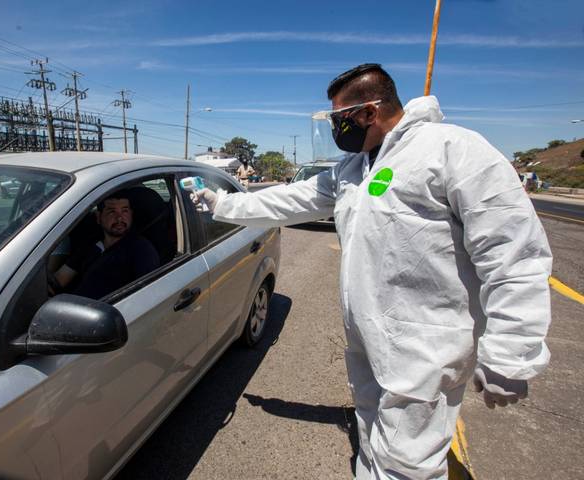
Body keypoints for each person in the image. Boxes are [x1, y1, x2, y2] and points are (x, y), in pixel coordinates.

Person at [193, 64, 552, 479]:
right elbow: (292, 199)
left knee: (409, 462)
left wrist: (511, 352)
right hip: (368, 337)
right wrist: (225, 206)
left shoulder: (452, 150)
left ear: (369, 112)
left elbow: (513, 255)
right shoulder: (355, 168)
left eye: (338, 118)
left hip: (425, 346)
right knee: (371, 427)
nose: (334, 128)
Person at [51, 191, 160, 299]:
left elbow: (146, 296)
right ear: (99, 217)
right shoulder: (90, 244)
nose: (119, 218)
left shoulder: (142, 251)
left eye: (125, 211)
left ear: (131, 215)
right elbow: (60, 280)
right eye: (112, 212)